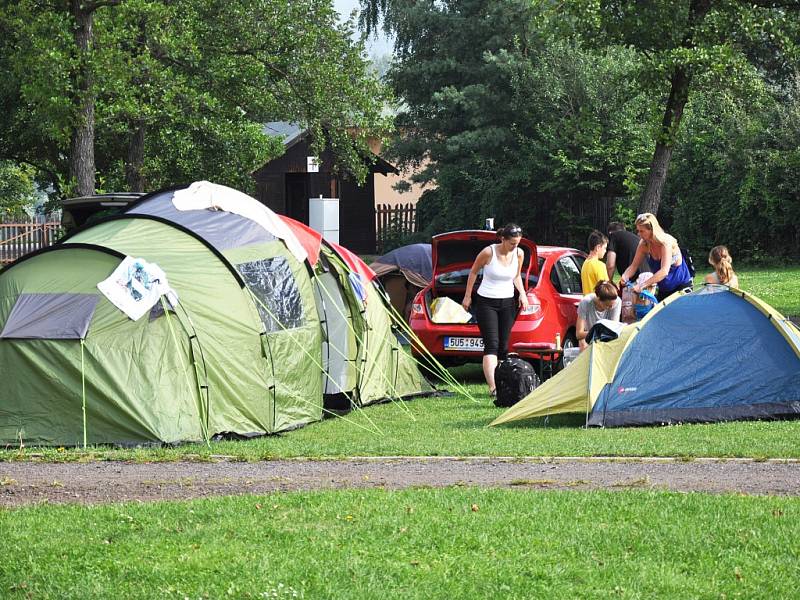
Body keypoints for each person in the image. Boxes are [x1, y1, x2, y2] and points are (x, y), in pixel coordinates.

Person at [462, 223, 528, 396]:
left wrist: (522, 294)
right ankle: (493, 388)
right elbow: (473, 272)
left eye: (518, 243)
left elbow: (516, 276)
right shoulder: (488, 252)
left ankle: (503, 384)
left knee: (504, 347)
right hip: (486, 302)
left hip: (507, 302)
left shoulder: (519, 254)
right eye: (512, 243)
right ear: (503, 239)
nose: (515, 246)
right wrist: (468, 296)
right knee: (492, 344)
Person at [620, 213, 692, 302]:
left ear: (652, 230)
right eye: (638, 230)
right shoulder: (644, 244)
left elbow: (664, 271)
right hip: (664, 288)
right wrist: (625, 276)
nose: (638, 234)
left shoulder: (665, 243)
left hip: (681, 286)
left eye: (642, 231)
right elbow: (634, 266)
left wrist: (642, 285)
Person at [576, 280, 621, 351]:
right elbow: (579, 334)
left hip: (606, 338)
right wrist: (596, 333)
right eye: (608, 306)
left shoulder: (616, 302)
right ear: (599, 299)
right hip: (589, 337)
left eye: (612, 305)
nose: (611, 307)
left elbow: (614, 331)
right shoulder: (586, 302)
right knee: (583, 345)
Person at [580, 230, 609, 294]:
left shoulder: (585, 263)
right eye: (604, 248)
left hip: (587, 302)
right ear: (598, 247)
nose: (605, 251)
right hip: (598, 302)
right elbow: (606, 290)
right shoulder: (600, 265)